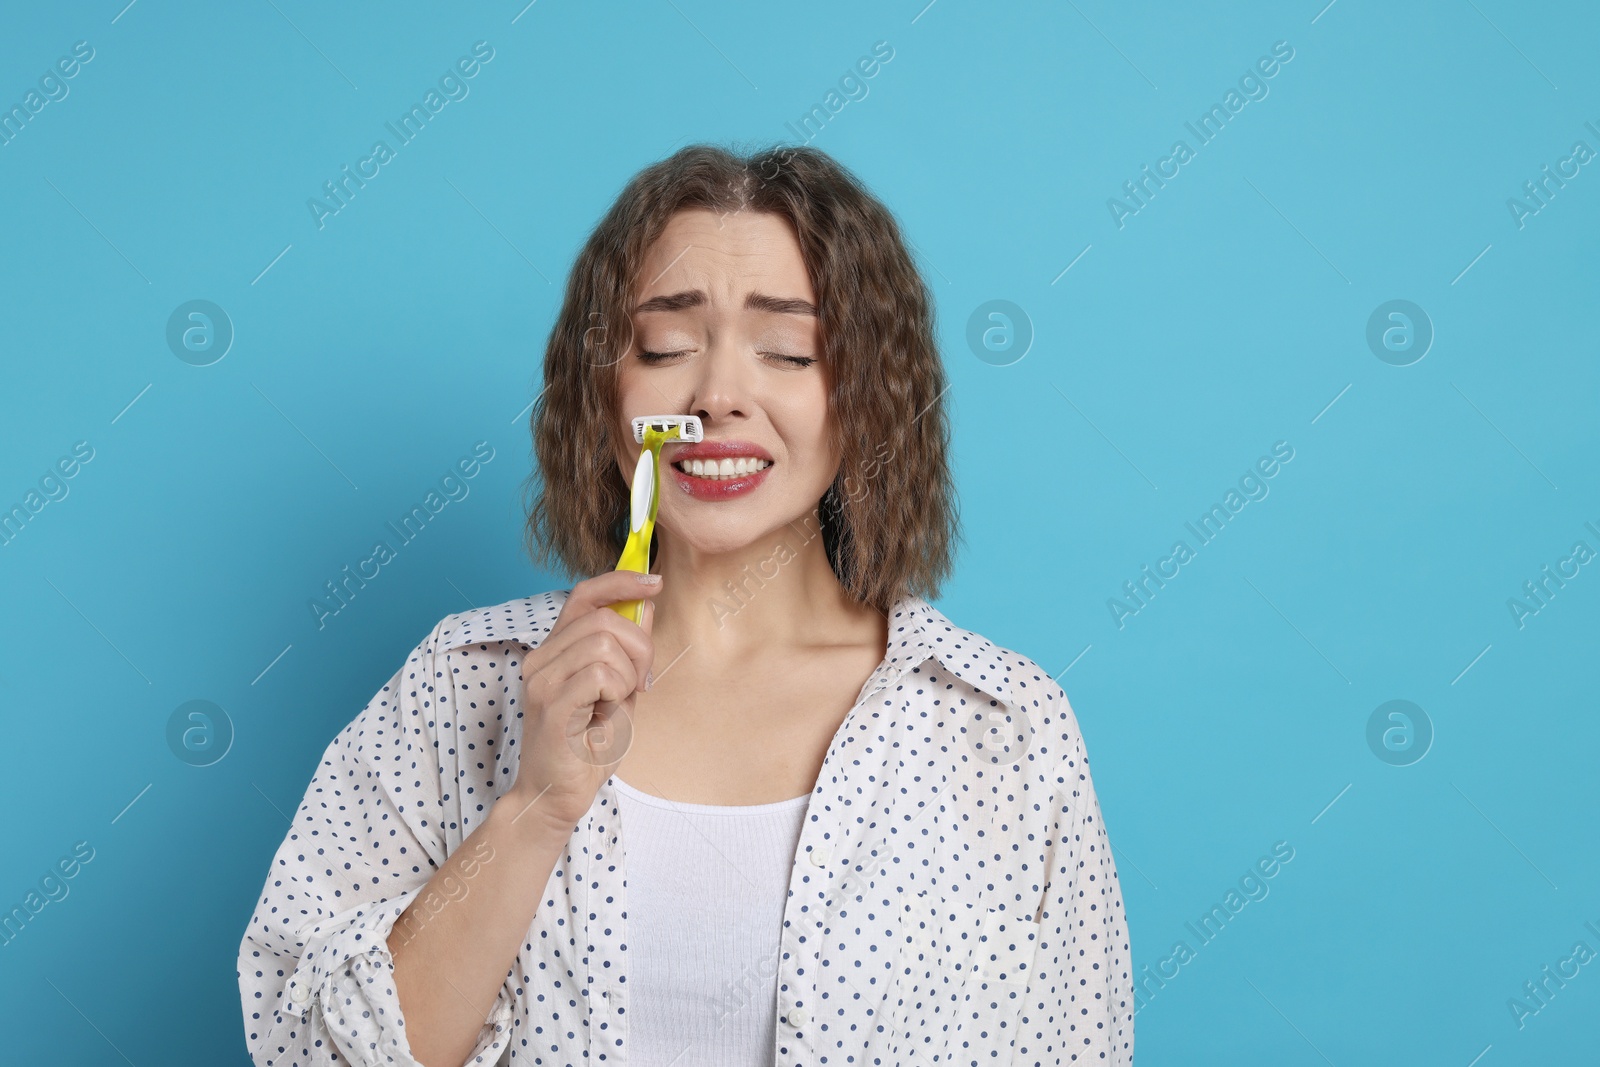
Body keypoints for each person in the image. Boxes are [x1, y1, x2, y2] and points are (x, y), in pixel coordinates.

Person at [238, 143, 1133, 1067]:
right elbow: (314, 1054)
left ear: (865, 395)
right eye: (666, 346)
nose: (715, 396)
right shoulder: (458, 690)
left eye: (788, 350)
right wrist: (534, 808)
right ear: (604, 386)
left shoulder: (1005, 728)